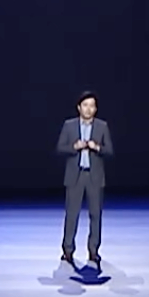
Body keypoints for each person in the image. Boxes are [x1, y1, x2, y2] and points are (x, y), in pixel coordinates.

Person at [57, 91, 111, 268]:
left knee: (95, 215)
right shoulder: (69, 125)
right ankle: (68, 250)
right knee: (72, 215)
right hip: (76, 176)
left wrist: (97, 147)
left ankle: (93, 251)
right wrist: (74, 147)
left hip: (94, 176)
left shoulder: (102, 126)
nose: (88, 109)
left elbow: (109, 150)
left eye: (92, 106)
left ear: (95, 109)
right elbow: (60, 148)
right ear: (79, 108)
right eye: (85, 105)